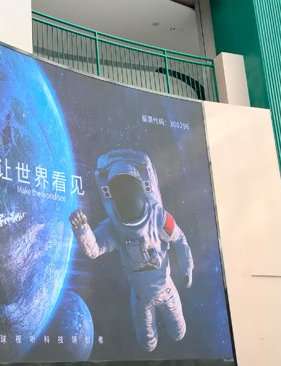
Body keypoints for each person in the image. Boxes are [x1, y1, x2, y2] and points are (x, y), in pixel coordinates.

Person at [69, 149, 193, 352]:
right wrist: (82, 229)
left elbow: (179, 240)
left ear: (142, 189)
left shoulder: (159, 218)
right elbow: (94, 248)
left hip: (165, 290)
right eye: (120, 191)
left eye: (128, 188)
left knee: (178, 332)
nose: (126, 196)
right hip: (140, 297)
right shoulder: (115, 227)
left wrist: (188, 267)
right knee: (148, 344)